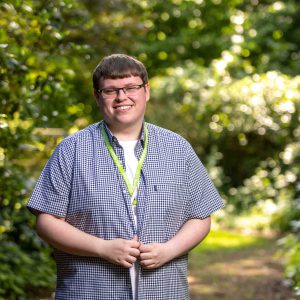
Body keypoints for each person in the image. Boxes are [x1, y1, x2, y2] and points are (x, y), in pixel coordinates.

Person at [27, 53, 224, 300]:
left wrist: (169, 250)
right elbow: (46, 222)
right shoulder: (71, 150)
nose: (122, 97)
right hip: (89, 292)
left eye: (131, 87)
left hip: (164, 292)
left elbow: (201, 216)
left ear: (146, 91)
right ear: (97, 96)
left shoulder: (178, 149)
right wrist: (102, 248)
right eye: (110, 90)